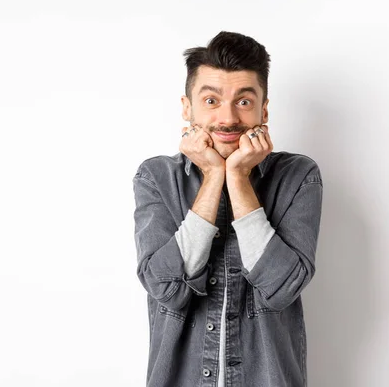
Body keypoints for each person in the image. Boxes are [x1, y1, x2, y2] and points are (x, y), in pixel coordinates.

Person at [133, 31, 323, 387]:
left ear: (264, 109)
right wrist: (211, 176)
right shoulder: (155, 176)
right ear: (187, 108)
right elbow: (164, 286)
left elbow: (282, 287)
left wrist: (236, 176)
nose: (228, 117)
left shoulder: (299, 175)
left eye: (244, 101)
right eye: (211, 100)